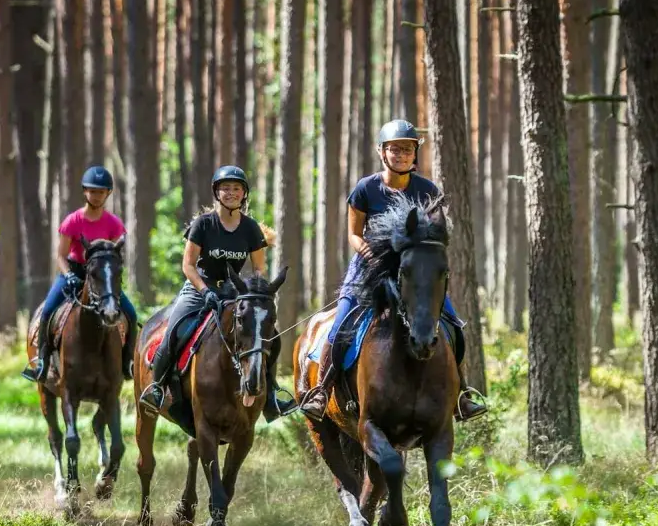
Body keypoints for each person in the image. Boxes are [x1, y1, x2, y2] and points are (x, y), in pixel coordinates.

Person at [299, 119, 488, 423]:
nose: (401, 154)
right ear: (382, 152)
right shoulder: (365, 189)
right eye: (395, 149)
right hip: (369, 267)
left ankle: (462, 395)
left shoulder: (427, 190)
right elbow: (354, 234)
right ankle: (322, 390)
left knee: (452, 324)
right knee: (339, 327)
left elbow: (434, 233)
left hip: (413, 273)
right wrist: (369, 253)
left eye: (407, 149)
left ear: (415, 154)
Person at [137, 165, 297, 422]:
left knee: (268, 336)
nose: (231, 193)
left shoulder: (250, 228)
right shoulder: (203, 224)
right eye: (226, 188)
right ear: (217, 192)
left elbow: (258, 268)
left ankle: (271, 395)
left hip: (233, 291)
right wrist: (204, 290)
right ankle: (157, 388)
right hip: (198, 287)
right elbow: (187, 265)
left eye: (236, 188)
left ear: (244, 194)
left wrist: (257, 294)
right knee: (174, 330)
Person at [21, 165, 140, 382]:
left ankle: (128, 363)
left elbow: (113, 257)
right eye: (92, 191)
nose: (96, 196)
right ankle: (42, 362)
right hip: (74, 272)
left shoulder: (114, 224)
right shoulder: (73, 221)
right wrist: (67, 275)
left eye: (101, 192)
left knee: (131, 314)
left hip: (102, 279)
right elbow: (60, 255)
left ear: (108, 194)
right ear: (85, 192)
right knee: (48, 310)